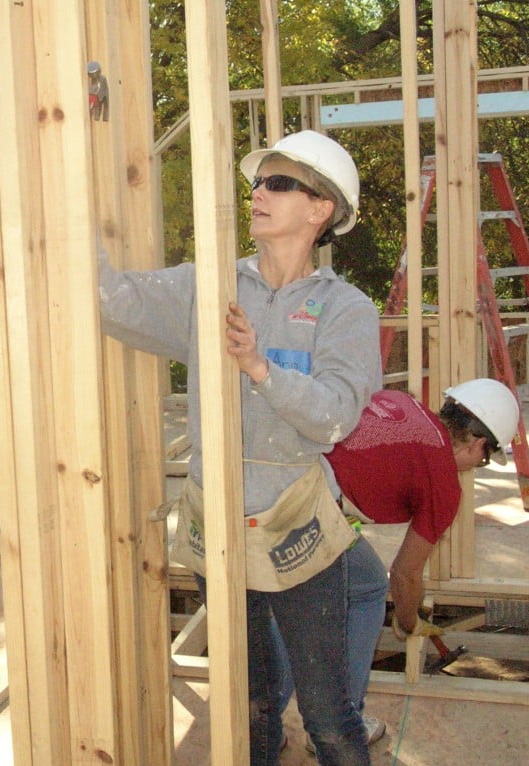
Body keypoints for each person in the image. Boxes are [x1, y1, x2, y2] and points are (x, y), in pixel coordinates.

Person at [98, 129, 382, 765]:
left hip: (299, 526)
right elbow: (111, 302)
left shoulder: (347, 309)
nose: (257, 193)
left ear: (320, 210)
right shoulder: (211, 287)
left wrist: (259, 368)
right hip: (218, 524)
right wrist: (71, 199)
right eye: (257, 182)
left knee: (328, 713)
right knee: (250, 701)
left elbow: (335, 415)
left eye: (278, 184)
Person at [317, 377, 521, 750]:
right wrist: (408, 622)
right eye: (486, 456)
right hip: (312, 503)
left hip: (288, 470)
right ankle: (341, 731)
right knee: (369, 589)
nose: (479, 464)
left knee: (327, 589)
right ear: (477, 444)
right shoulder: (444, 482)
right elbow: (406, 573)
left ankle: (267, 730)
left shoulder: (400, 401)